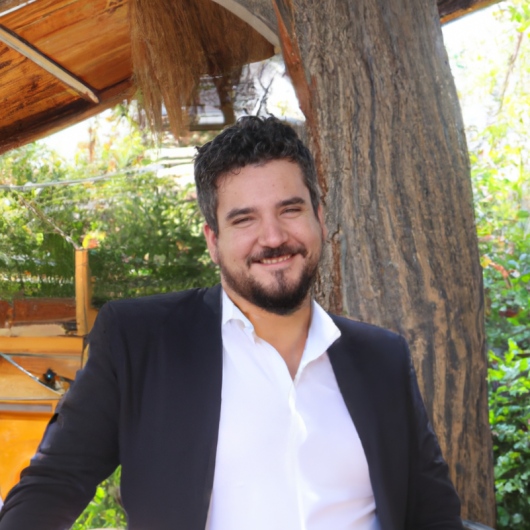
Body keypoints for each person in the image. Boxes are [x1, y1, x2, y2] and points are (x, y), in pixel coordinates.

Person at [0, 116, 463, 530]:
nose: (273, 237)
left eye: (290, 210)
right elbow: (53, 483)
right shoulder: (140, 340)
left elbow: (434, 515)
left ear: (320, 219)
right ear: (213, 240)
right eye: (244, 220)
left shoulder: (382, 357)